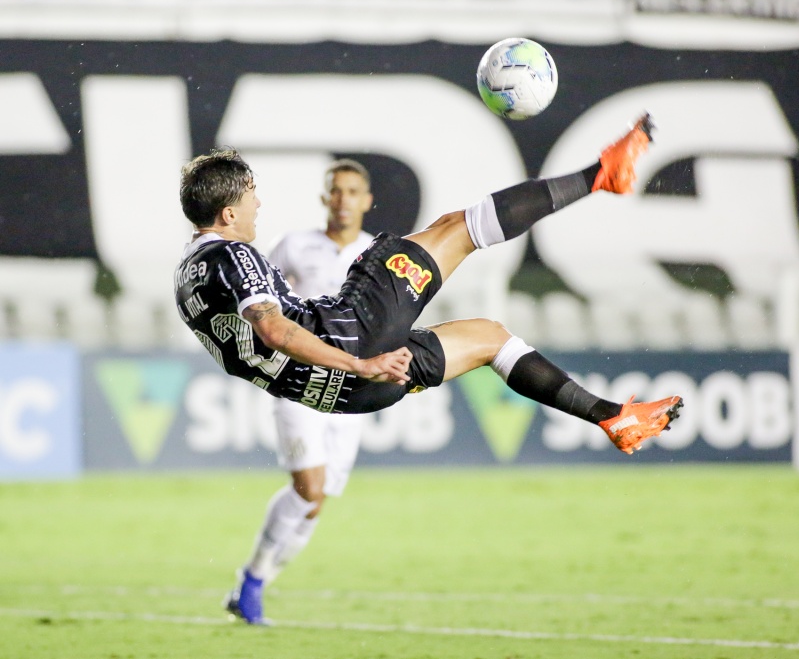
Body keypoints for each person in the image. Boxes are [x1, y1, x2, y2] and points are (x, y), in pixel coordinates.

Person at [175, 114, 684, 624]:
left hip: (344, 394)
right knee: (456, 229)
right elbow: (274, 330)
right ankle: (602, 174)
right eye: (250, 194)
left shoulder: (186, 275)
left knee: (489, 339)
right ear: (227, 211)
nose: (257, 203)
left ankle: (613, 416)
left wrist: (358, 371)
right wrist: (361, 359)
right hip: (354, 338)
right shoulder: (231, 254)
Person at [220, 159, 376, 625]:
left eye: (352, 191)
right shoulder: (293, 246)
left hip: (351, 392)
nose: (343, 200)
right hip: (298, 383)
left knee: (319, 498)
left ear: (367, 201)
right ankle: (250, 583)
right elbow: (258, 297)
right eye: (336, 191)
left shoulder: (376, 253)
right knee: (307, 487)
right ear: (325, 197)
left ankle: (255, 579)